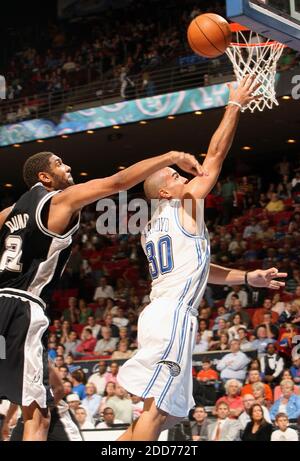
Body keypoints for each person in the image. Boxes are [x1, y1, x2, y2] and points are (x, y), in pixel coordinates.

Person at [116, 76, 287, 441]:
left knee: (156, 416)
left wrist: (246, 277)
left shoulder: (153, 226)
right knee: (156, 411)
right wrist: (235, 104)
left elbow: (200, 269)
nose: (185, 177)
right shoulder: (182, 204)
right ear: (164, 191)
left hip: (159, 313)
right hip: (174, 314)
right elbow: (215, 158)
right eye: (175, 175)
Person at [0, 148, 201, 440]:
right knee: (38, 417)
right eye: (59, 163)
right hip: (23, 306)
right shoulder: (60, 199)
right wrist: (170, 157)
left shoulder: (10, 212)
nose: (67, 166)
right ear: (45, 177)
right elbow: (117, 182)